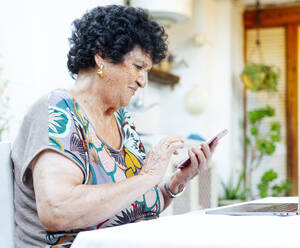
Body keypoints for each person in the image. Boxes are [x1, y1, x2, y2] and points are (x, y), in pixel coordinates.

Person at [11, 5, 218, 248]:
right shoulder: (57, 111)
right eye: (138, 67)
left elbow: (137, 202)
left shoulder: (123, 121)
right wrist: (148, 177)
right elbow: (58, 209)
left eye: (147, 71)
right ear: (102, 55)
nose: (143, 81)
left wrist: (176, 182)